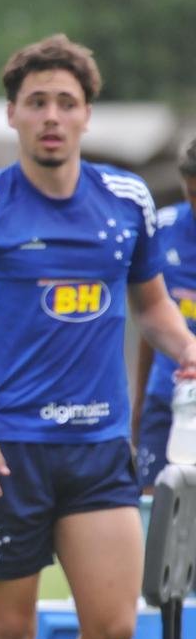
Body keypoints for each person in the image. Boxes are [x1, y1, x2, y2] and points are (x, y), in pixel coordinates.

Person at [0, 33, 196, 639]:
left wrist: (185, 345)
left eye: (66, 103)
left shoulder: (127, 201)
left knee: (114, 631)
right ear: (11, 113)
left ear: (87, 115)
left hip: (99, 450)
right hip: (9, 454)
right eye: (36, 102)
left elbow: (151, 304)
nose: (52, 116)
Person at [133, 139, 196, 494]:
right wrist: (139, 403)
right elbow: (150, 319)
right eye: (191, 194)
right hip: (167, 401)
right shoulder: (163, 228)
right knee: (152, 512)